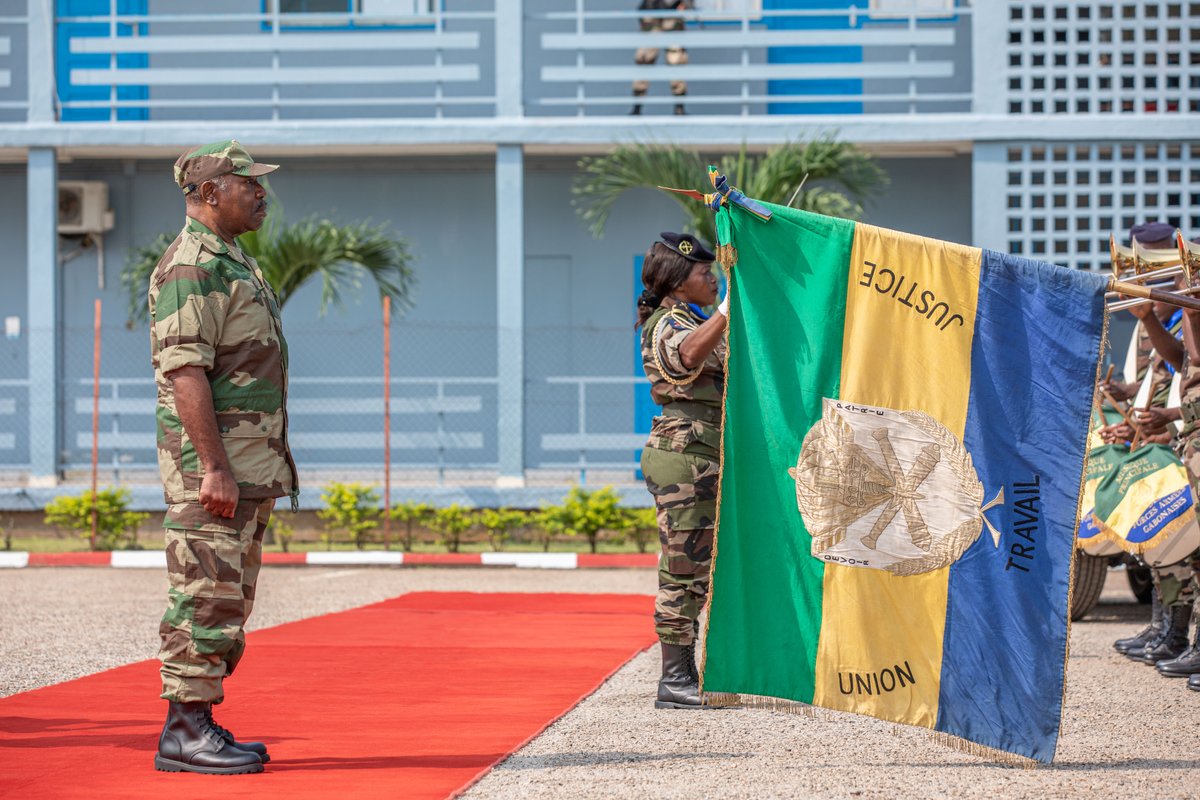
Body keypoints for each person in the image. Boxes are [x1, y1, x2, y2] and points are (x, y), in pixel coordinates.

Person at [149, 140, 299, 774]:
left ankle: (200, 720)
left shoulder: (232, 259)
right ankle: (183, 731)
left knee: (228, 600)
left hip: (247, 468)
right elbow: (185, 372)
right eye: (249, 183)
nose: (262, 193)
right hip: (214, 472)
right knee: (204, 596)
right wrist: (213, 468)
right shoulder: (192, 267)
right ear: (210, 192)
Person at [637, 231, 727, 709]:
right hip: (685, 457)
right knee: (683, 567)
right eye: (703, 273)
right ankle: (673, 679)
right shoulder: (668, 323)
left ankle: (686, 672)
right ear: (677, 282)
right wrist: (727, 311)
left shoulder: (693, 319)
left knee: (698, 567)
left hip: (701, 453)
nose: (712, 279)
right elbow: (688, 356)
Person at [631, 0, 691, 116]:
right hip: (652, 13)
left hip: (672, 14)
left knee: (676, 61)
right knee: (644, 60)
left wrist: (685, 4)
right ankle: (637, 108)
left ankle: (679, 108)